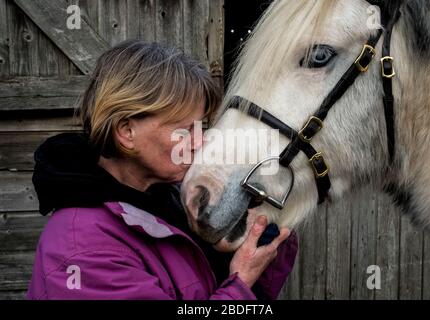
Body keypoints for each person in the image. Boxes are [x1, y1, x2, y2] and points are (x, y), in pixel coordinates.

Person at [27, 40, 298, 300]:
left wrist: (262, 229)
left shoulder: (167, 200)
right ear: (127, 132)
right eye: (184, 129)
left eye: (200, 126)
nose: (200, 141)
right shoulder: (82, 250)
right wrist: (240, 285)